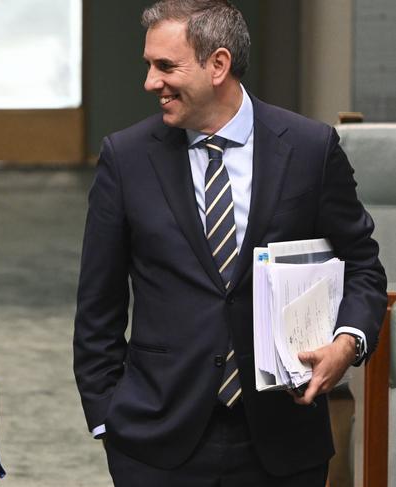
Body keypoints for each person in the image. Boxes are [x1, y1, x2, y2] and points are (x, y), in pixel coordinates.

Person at [73, 1, 387, 486]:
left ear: (218, 65)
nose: (150, 82)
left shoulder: (309, 149)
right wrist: (107, 418)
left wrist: (348, 342)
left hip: (283, 438)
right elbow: (99, 303)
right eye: (148, 65)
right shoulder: (127, 158)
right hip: (157, 440)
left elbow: (363, 265)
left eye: (165, 66)